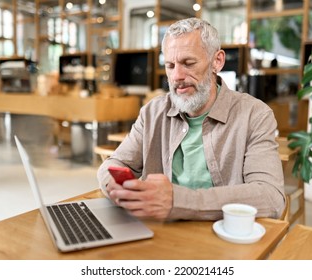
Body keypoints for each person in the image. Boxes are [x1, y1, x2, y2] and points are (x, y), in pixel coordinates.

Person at [97, 17, 285, 221]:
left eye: (188, 63)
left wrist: (179, 201)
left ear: (217, 61)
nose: (176, 76)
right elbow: (113, 164)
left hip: (224, 236)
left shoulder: (254, 115)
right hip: (160, 233)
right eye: (170, 65)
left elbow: (270, 197)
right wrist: (119, 191)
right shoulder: (152, 112)